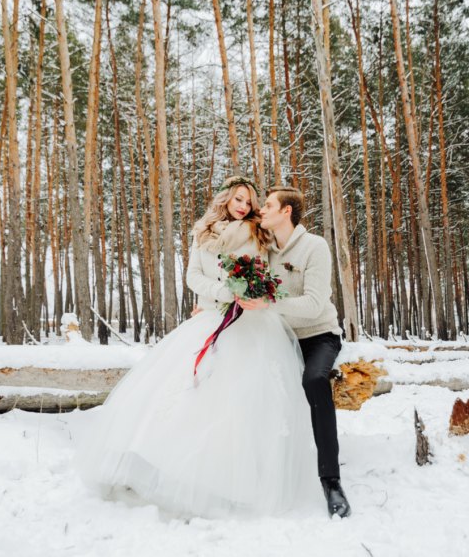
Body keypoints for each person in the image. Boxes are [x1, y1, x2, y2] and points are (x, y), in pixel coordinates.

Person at [74, 176, 318, 519]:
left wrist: (250, 293)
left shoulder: (259, 232)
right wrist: (220, 295)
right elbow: (193, 276)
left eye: (249, 202)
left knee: (243, 398)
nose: (244, 206)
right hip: (213, 314)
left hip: (253, 323)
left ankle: (237, 484)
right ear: (226, 199)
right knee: (184, 390)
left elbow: (270, 271)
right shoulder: (202, 233)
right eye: (238, 199)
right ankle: (161, 467)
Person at [236, 186, 351, 518]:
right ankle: (249, 470)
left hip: (319, 336)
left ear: (286, 212)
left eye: (268, 206)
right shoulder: (266, 252)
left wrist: (269, 303)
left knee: (314, 380)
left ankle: (331, 481)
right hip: (281, 337)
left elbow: (315, 305)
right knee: (246, 379)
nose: (261, 210)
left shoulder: (315, 247)